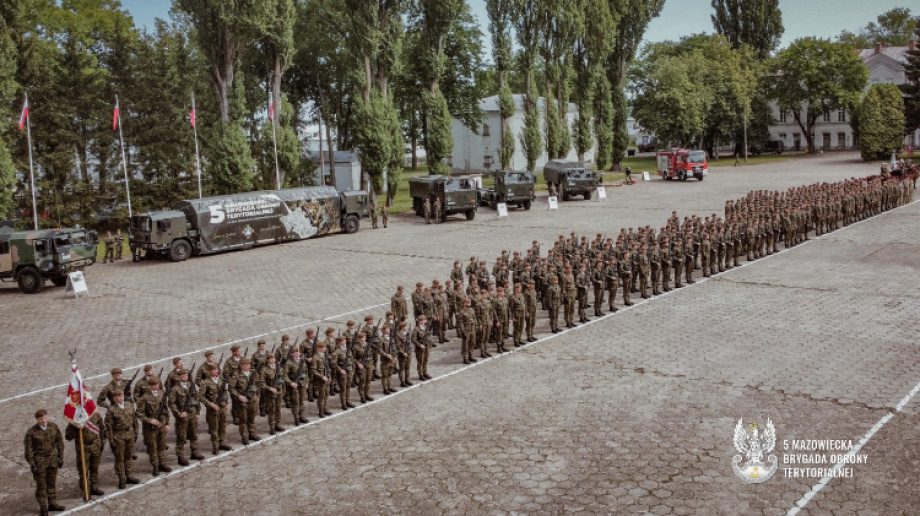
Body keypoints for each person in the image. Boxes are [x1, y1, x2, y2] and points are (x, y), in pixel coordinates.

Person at [64, 409, 105, 498]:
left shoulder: (95, 415)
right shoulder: (76, 420)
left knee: (94, 468)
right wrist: (74, 427)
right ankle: (86, 490)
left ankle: (94, 487)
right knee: (84, 471)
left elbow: (102, 429)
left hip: (95, 446)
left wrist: (102, 442)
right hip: (83, 449)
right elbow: (68, 437)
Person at [104, 389, 140, 489]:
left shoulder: (129, 405)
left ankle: (129, 476)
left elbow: (134, 420)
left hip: (130, 434)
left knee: (129, 456)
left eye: (122, 396)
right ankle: (122, 479)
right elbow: (109, 428)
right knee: (120, 459)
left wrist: (136, 432)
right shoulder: (111, 410)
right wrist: (111, 440)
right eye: (118, 397)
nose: (121, 398)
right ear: (114, 398)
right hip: (118, 437)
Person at [136, 378, 172, 476]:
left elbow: (165, 410)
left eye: (157, 384)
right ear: (150, 386)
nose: (156, 386)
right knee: (153, 447)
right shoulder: (144, 397)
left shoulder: (161, 393)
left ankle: (162, 463)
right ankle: (155, 466)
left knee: (161, 446)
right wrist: (150, 420)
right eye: (154, 385)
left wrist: (167, 423)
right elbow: (139, 413)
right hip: (150, 428)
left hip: (161, 425)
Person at [167, 368, 203, 465]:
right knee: (181, 437)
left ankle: (194, 452)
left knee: (193, 435)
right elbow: (171, 403)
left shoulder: (191, 385)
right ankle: (180, 457)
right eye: (183, 376)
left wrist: (198, 412)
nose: (185, 377)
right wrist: (178, 413)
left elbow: (196, 399)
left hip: (192, 415)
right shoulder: (175, 389)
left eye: (186, 375)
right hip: (182, 418)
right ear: (179, 377)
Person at [199, 364, 231, 454]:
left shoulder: (221, 379)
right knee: (214, 428)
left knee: (222, 425)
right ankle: (215, 445)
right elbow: (200, 397)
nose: (216, 371)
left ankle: (222, 442)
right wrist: (210, 404)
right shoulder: (205, 382)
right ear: (209, 372)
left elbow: (225, 392)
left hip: (222, 407)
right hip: (212, 409)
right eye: (214, 370)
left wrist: (225, 403)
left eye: (217, 369)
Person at [229, 358, 261, 445]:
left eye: (249, 365)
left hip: (253, 400)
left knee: (252, 418)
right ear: (241, 366)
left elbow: (258, 385)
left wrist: (258, 396)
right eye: (246, 365)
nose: (248, 366)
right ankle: (245, 436)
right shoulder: (236, 375)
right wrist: (239, 396)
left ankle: (252, 433)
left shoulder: (253, 373)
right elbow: (231, 388)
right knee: (243, 420)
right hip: (242, 402)